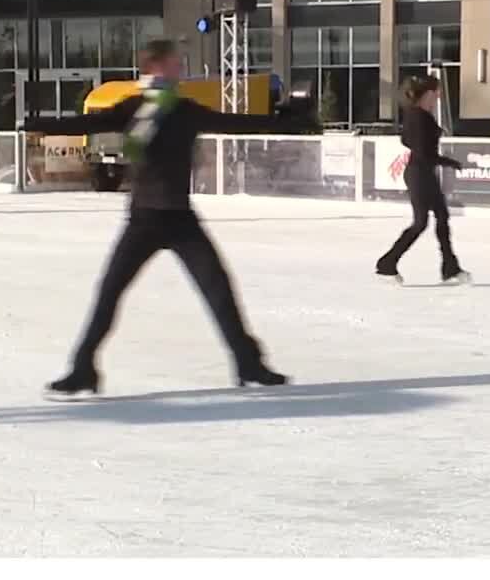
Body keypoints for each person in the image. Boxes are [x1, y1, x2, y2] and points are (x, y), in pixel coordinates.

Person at [26, 38, 294, 399]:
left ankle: (248, 363)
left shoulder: (184, 109)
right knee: (109, 293)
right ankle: (82, 369)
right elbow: (90, 122)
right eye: (174, 63)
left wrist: (281, 120)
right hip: (144, 220)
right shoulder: (134, 107)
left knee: (218, 289)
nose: (180, 69)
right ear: (155, 67)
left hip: (180, 218)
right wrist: (40, 123)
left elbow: (230, 120)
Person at [375, 75, 470, 285]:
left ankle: (450, 267)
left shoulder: (417, 115)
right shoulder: (419, 117)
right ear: (427, 94)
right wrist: (448, 162)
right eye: (436, 93)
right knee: (420, 222)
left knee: (442, 215)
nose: (437, 97)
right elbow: (422, 151)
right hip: (419, 173)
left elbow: (406, 140)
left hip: (423, 172)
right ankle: (387, 263)